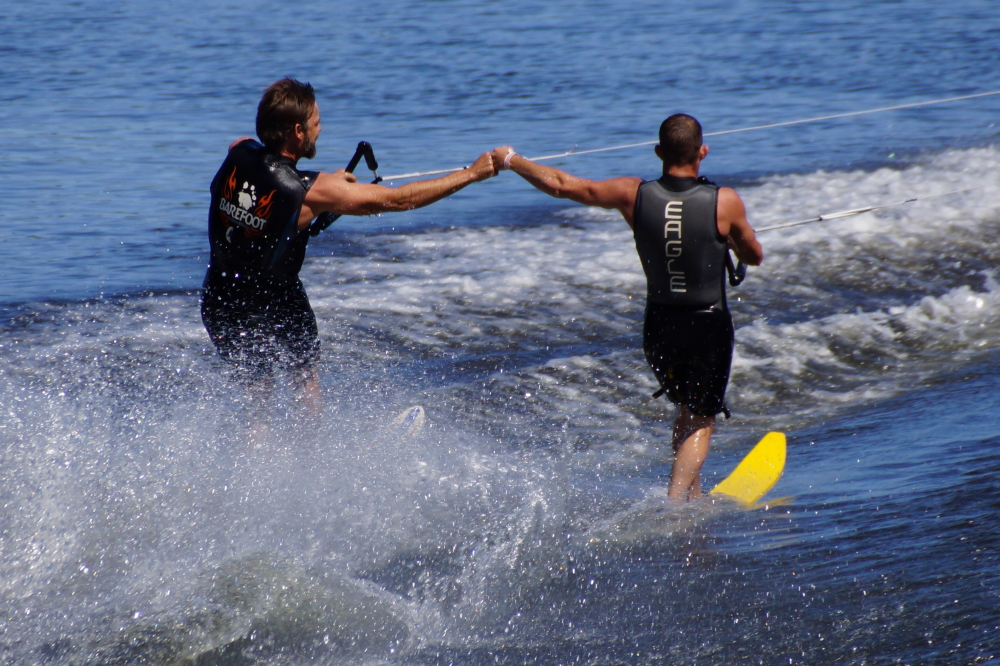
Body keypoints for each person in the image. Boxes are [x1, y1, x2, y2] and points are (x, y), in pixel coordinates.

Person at [491, 114, 763, 501]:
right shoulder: (725, 201)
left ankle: (693, 495)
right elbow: (754, 256)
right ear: (702, 151)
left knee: (685, 409)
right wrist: (737, 240)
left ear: (658, 152)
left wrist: (511, 159)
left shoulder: (631, 194)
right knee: (701, 421)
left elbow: (566, 186)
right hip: (707, 328)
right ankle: (675, 506)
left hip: (659, 327)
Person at [203, 78, 495, 434]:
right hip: (266, 296)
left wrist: (329, 187)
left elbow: (272, 181)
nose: (320, 128)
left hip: (222, 296)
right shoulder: (312, 190)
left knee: (260, 395)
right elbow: (400, 199)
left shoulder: (238, 151)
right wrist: (473, 173)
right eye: (316, 122)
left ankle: (276, 465)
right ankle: (303, 461)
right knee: (297, 381)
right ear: (298, 131)